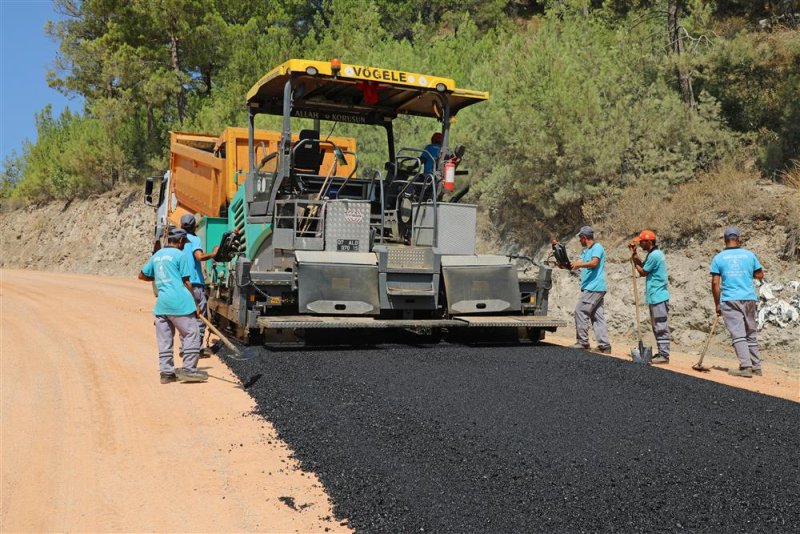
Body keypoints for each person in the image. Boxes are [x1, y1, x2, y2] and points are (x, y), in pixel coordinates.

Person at [139, 227, 208, 383]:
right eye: (185, 242)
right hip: (180, 303)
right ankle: (189, 370)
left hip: (162, 305)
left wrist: (161, 280)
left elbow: (141, 275)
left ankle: (166, 373)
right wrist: (195, 303)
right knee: (192, 333)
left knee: (165, 339)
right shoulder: (180, 255)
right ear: (181, 241)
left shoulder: (157, 256)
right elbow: (186, 282)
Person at [710, 226, 764, 378]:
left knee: (738, 333)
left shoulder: (719, 258)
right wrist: (747, 273)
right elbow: (760, 275)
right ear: (738, 239)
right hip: (749, 297)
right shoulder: (749, 255)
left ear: (725, 240)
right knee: (750, 332)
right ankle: (756, 367)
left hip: (730, 298)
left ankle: (745, 366)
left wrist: (717, 303)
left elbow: (715, 283)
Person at [567, 226, 612, 353]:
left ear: (584, 237)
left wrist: (578, 264)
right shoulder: (586, 251)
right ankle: (604, 345)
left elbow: (594, 263)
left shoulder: (597, 247)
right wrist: (566, 265)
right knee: (597, 316)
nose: (579, 241)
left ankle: (583, 342)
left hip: (594, 287)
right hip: (594, 287)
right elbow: (578, 264)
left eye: (580, 238)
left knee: (580, 311)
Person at [180, 214, 218, 358]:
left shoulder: (178, 240)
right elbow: (199, 257)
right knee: (199, 317)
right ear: (194, 225)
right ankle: (197, 349)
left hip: (182, 284)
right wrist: (214, 253)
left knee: (184, 317)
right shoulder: (194, 239)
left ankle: (184, 347)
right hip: (195, 283)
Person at [630, 230, 671, 364]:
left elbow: (643, 272)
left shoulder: (655, 255)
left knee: (660, 325)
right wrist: (634, 254)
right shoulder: (652, 254)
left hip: (658, 295)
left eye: (642, 242)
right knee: (657, 325)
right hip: (655, 295)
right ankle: (661, 352)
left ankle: (664, 355)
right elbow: (644, 267)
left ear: (649, 242)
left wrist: (634, 260)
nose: (640, 244)